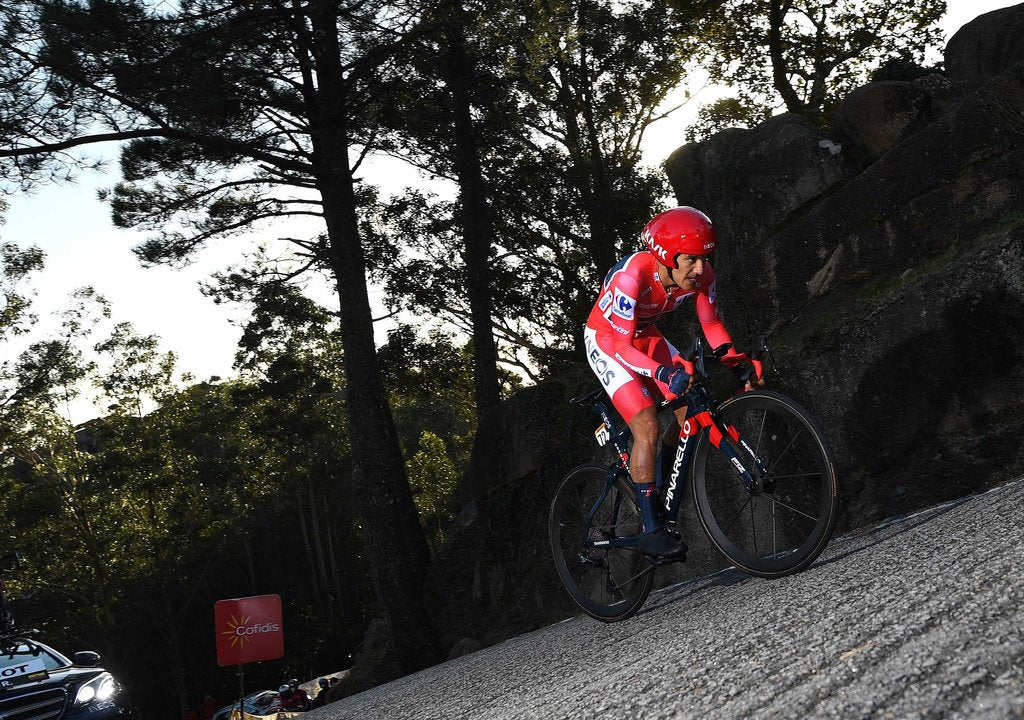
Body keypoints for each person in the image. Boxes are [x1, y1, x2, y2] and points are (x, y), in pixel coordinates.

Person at [583, 206, 763, 559]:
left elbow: (711, 326)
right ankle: (650, 530)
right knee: (647, 423)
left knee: (689, 413)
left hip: (646, 337)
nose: (701, 269)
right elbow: (619, 346)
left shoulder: (702, 275)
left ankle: (656, 477)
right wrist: (663, 372)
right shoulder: (631, 277)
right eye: (692, 260)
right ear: (665, 256)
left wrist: (737, 364)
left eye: (705, 259)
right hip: (606, 342)